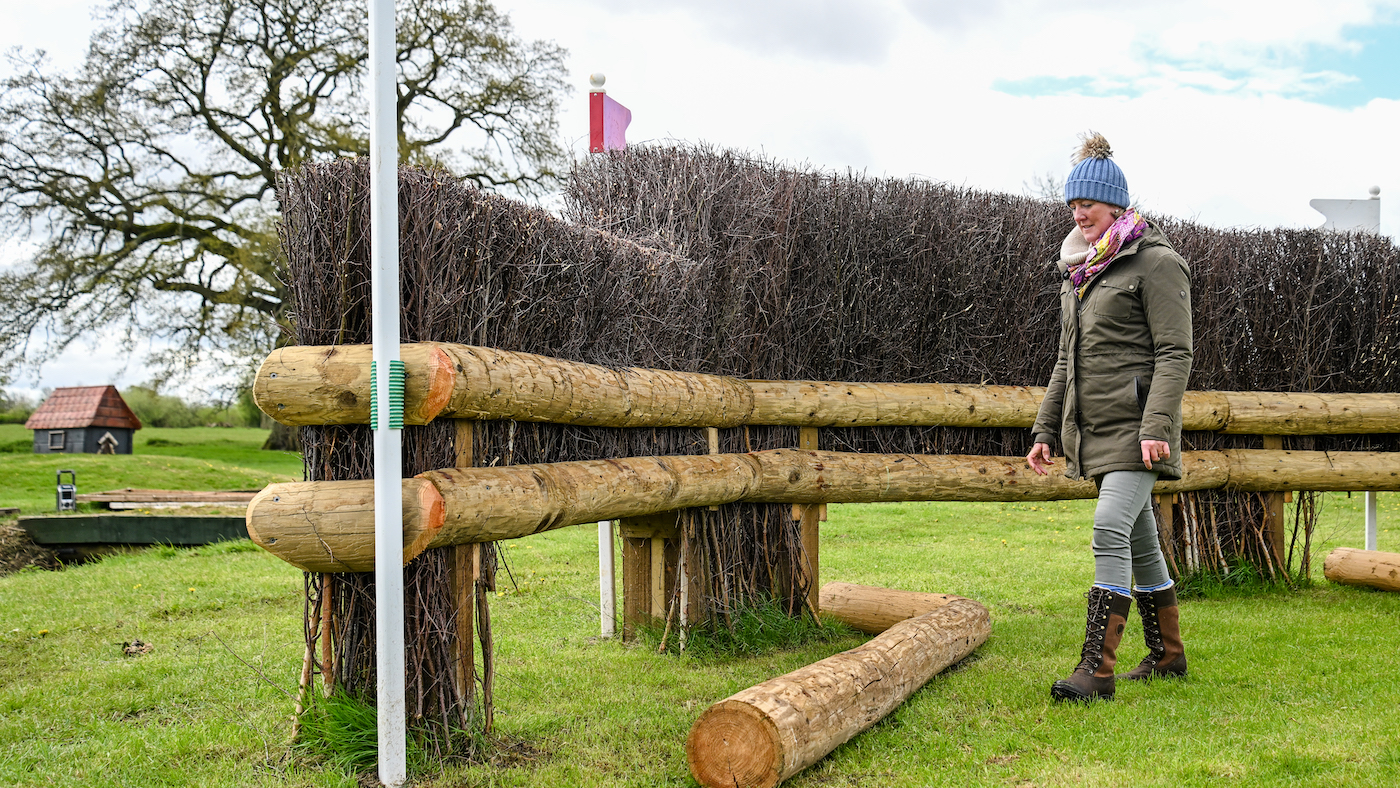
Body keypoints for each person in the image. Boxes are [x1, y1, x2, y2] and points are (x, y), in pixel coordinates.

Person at [1026, 132, 1192, 702]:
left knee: (1107, 527)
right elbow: (1065, 360)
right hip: (1097, 430)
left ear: (1114, 205)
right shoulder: (1080, 273)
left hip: (1138, 430)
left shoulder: (1157, 263)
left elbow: (1175, 353)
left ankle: (1097, 669)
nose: (1079, 213)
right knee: (1141, 540)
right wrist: (1047, 429)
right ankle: (1168, 655)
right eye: (1073, 205)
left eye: (1088, 204)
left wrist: (1155, 428)